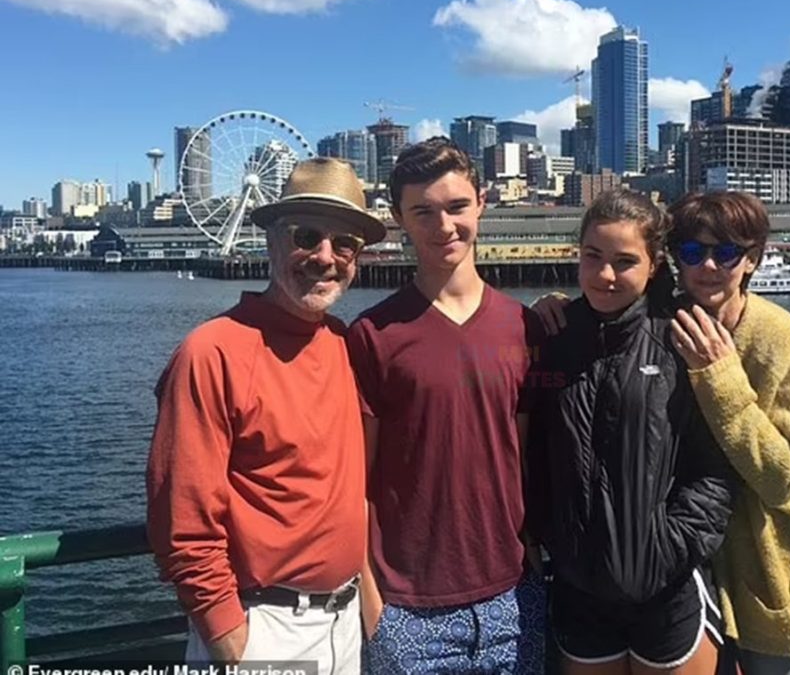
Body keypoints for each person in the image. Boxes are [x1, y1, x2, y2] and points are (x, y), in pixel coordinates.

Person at [146, 158, 386, 671]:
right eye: (307, 235)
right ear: (271, 240)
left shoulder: (346, 345)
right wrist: (229, 637)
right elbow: (181, 518)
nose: (326, 257)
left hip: (344, 624)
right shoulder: (210, 353)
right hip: (263, 629)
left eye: (345, 244)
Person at [345, 137, 546, 674]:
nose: (443, 226)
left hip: (512, 600)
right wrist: (372, 606)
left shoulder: (522, 325)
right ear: (398, 219)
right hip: (407, 610)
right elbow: (354, 482)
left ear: (481, 202)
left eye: (457, 207)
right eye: (423, 212)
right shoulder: (372, 334)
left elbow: (522, 457)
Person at [527, 189, 734, 675]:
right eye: (592, 257)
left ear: (654, 265)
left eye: (624, 262)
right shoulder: (552, 339)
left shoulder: (683, 337)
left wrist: (670, 547)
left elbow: (717, 462)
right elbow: (532, 451)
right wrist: (549, 536)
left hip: (665, 591)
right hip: (579, 589)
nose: (604, 275)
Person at [665, 191, 790, 675]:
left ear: (752, 261)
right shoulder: (666, 322)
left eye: (725, 253)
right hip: (690, 559)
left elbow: (783, 477)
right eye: (691, 252)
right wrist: (558, 309)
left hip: (773, 562)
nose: (707, 266)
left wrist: (719, 377)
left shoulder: (787, 341)